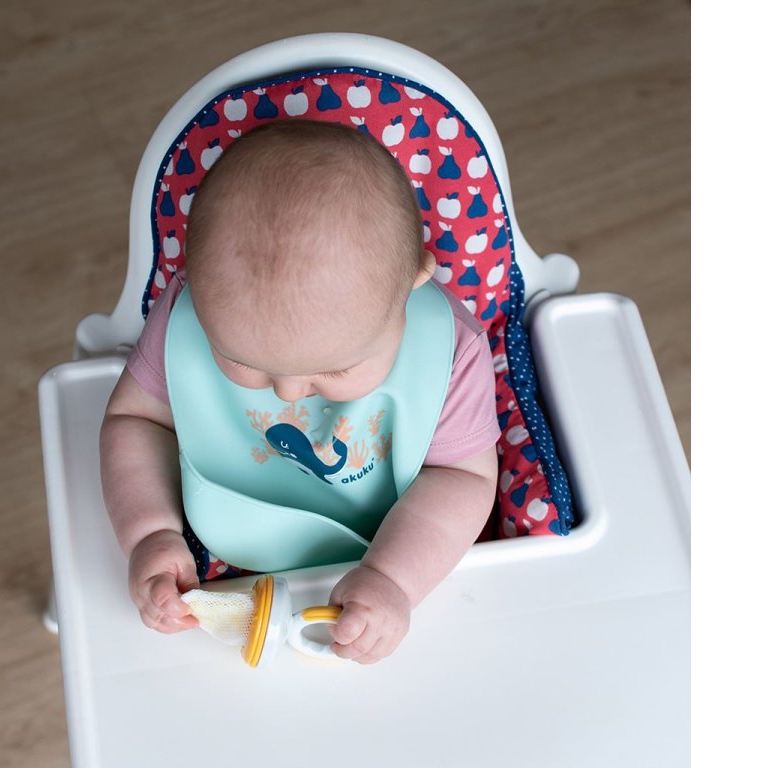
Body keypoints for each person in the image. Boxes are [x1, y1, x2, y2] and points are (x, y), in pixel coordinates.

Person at [100, 119, 500, 664]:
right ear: (193, 282)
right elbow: (135, 420)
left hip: (397, 544)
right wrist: (149, 532)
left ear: (412, 283)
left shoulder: (450, 350)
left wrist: (393, 579)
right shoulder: (183, 314)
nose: (288, 393)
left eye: (336, 369)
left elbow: (462, 478)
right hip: (220, 548)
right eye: (242, 360)